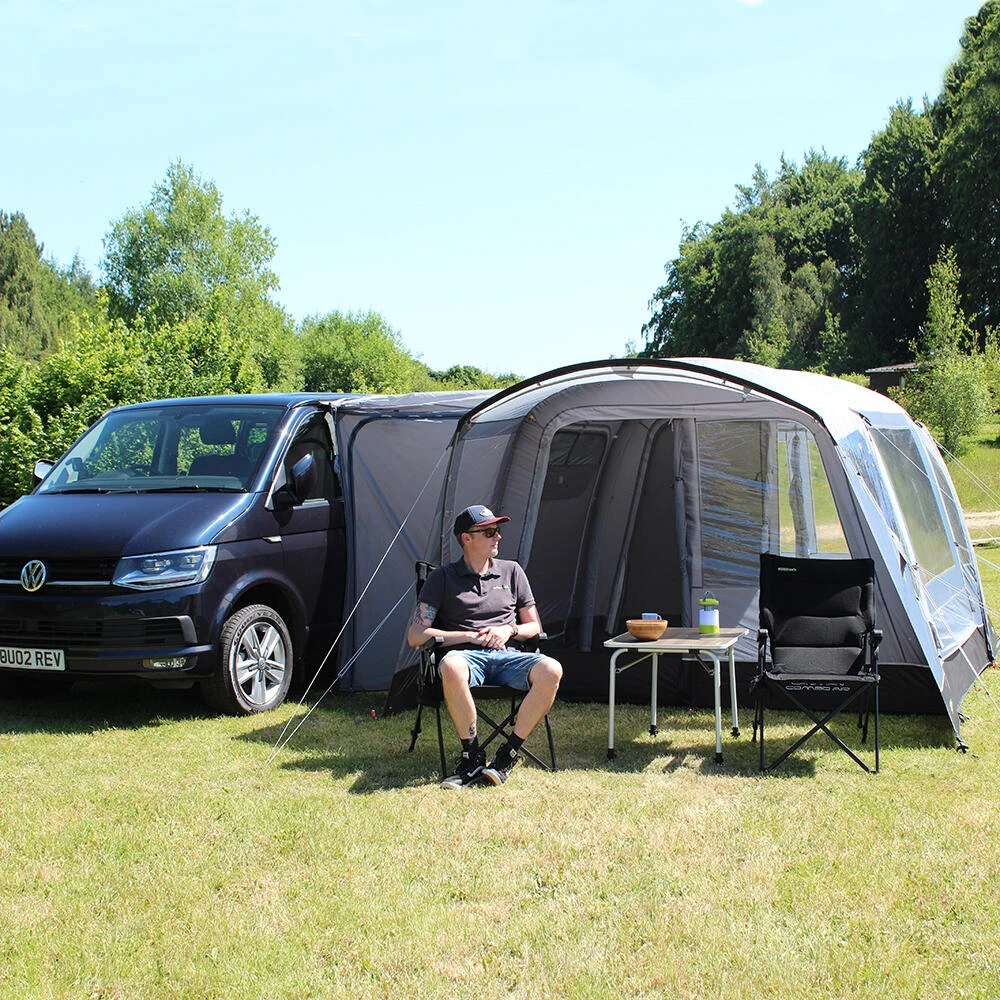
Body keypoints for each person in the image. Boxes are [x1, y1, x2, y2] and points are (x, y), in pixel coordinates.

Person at [407, 504, 562, 788]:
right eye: (489, 532)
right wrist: (469, 636)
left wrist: (508, 629)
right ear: (466, 538)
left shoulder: (512, 571)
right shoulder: (442, 577)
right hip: (466, 657)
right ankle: (472, 756)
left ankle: (508, 754)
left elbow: (534, 627)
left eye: (497, 530)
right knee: (451, 665)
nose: (498, 537)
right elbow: (416, 635)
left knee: (552, 669)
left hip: (508, 655)